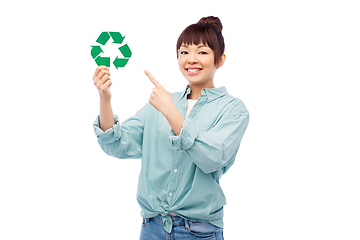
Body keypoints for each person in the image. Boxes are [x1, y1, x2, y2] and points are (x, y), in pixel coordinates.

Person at [92, 16, 249, 240]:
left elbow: (212, 157)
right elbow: (116, 144)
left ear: (220, 59)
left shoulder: (233, 109)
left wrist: (171, 112)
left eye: (202, 52)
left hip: (199, 231)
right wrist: (105, 99)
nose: (191, 59)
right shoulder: (161, 103)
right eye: (184, 52)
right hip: (152, 227)